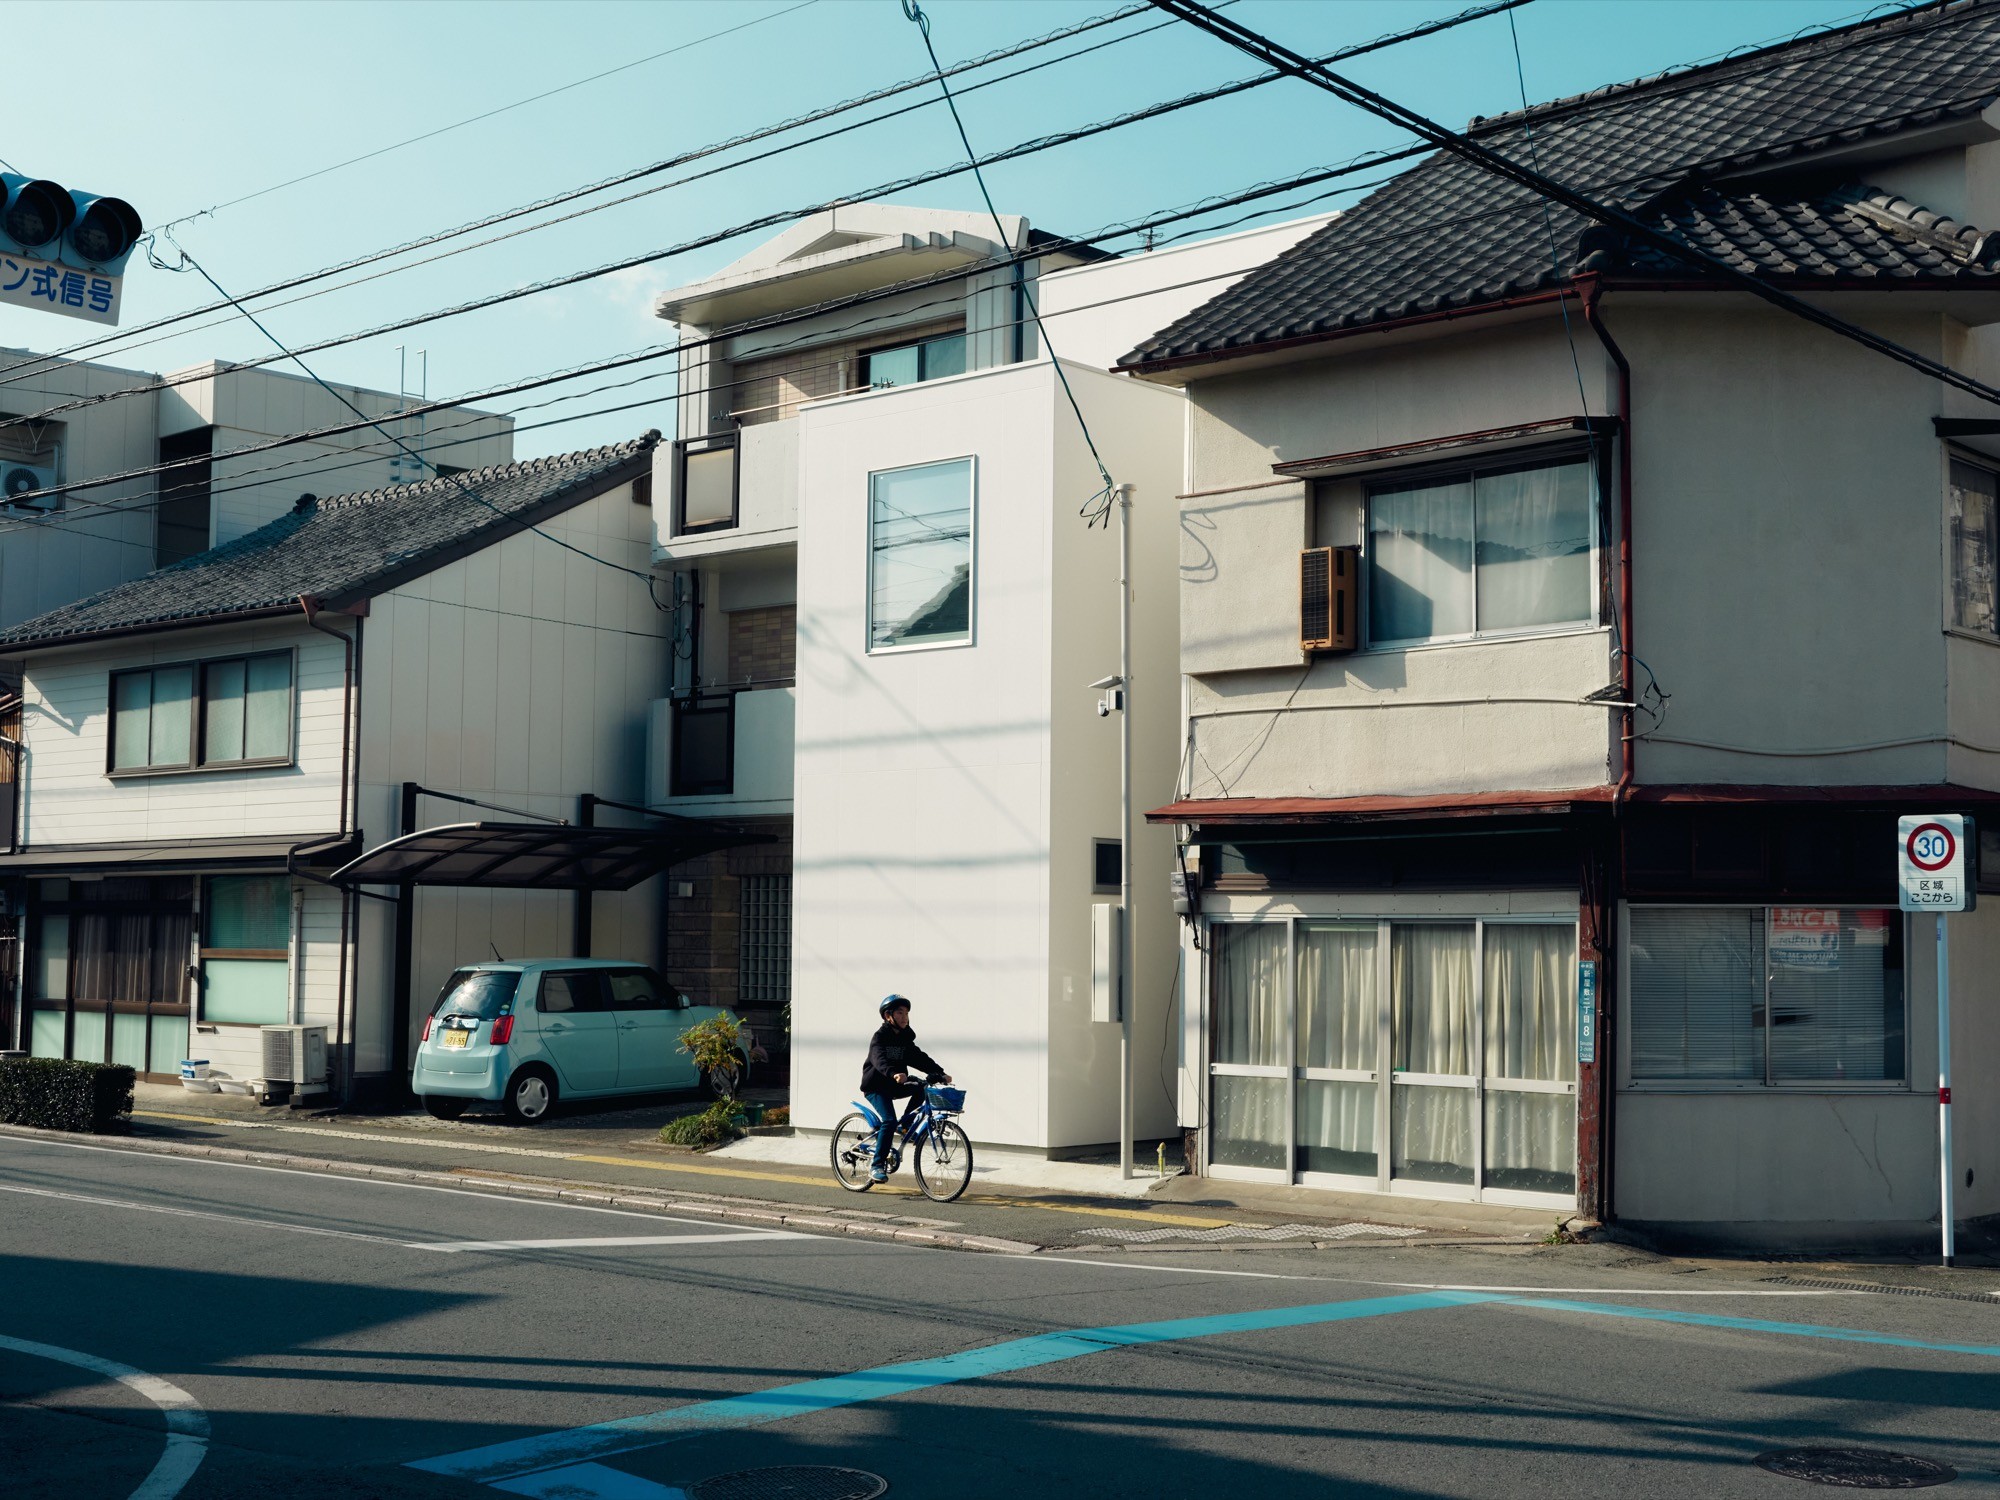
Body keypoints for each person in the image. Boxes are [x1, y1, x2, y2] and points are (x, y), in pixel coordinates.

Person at [860, 994, 950, 1183]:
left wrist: (940, 1073)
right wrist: (893, 1073)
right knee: (889, 1120)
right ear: (888, 1016)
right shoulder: (880, 1037)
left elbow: (919, 1058)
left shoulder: (905, 1039)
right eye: (899, 1013)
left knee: (920, 1088)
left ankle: (906, 1125)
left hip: (895, 1084)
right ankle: (876, 1165)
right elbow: (878, 1060)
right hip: (876, 1087)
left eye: (907, 1013)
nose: (904, 1017)